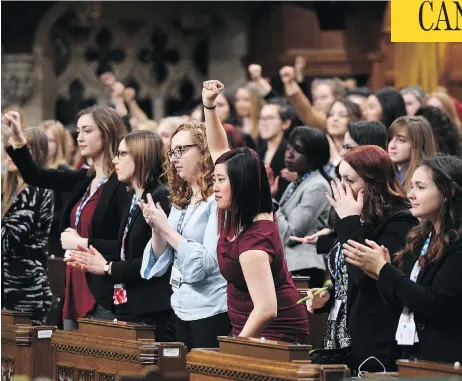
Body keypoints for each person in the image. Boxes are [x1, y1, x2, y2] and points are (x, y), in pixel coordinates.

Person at [202, 79, 309, 343]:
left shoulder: (254, 244)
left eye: (220, 181)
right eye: (214, 180)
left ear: (241, 185)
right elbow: (218, 150)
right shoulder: (236, 209)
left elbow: (266, 309)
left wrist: (234, 349)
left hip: (275, 336)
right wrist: (210, 106)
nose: (213, 188)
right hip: (246, 327)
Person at [4, 106, 128, 330]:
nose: (80, 137)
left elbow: (124, 245)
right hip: (74, 284)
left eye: (87, 131)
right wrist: (18, 139)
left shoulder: (121, 184)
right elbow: (35, 175)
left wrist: (82, 242)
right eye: (78, 131)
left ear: (107, 132)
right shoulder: (83, 178)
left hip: (102, 290)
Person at [306, 145, 418, 373]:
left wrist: (349, 222)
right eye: (340, 179)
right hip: (339, 337)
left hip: (375, 343)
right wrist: (326, 300)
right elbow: (347, 282)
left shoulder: (400, 223)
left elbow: (365, 278)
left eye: (350, 180)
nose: (343, 189)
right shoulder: (359, 220)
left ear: (373, 182)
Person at [343, 155, 462, 364]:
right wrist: (381, 273)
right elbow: (404, 302)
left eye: (420, 187)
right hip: (408, 353)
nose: (411, 195)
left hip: (445, 359)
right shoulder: (420, 237)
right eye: (412, 186)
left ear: (448, 192)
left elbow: (436, 304)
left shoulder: (458, 243)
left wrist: (385, 271)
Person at [65, 130, 175, 341]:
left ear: (142, 157)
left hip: (152, 310)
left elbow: (154, 264)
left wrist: (106, 268)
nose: (115, 160)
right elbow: (123, 248)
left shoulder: (160, 197)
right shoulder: (132, 196)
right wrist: (88, 258)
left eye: (122, 154)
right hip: (127, 303)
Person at [140, 121, 229, 350]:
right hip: (181, 306)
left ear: (204, 151)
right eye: (172, 152)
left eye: (182, 150)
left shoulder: (217, 201)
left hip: (211, 308)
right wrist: (156, 227)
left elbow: (206, 263)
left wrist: (166, 230)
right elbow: (162, 260)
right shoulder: (182, 199)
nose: (174, 158)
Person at [1, 120, 54, 325]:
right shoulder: (9, 190)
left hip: (25, 291)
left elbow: (7, 240)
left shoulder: (37, 189)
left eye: (21, 148)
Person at [276, 126, 332, 287]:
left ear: (313, 155)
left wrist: (269, 202)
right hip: (290, 266)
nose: (289, 154)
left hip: (304, 267)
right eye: (288, 147)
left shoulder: (317, 186)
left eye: (298, 150)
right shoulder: (299, 181)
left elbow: (291, 235)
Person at [39, 120, 73, 258]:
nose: (46, 144)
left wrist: (40, 217)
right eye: (43, 140)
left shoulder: (64, 172)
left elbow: (66, 214)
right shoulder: (34, 171)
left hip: (54, 242)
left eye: (51, 140)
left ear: (59, 144)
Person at [388, 116, 437, 192]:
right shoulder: (388, 176)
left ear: (419, 144)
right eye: (390, 139)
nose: (391, 146)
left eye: (401, 140)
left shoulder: (428, 179)